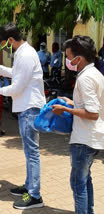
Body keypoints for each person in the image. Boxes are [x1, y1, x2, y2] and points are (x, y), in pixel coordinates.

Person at [0, 23, 46, 209]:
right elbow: (16, 74)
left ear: (11, 40)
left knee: (32, 153)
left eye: (4, 43)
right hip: (25, 108)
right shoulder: (22, 53)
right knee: (29, 152)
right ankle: (29, 186)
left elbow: (18, 86)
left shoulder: (26, 55)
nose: (4, 47)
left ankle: (35, 195)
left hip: (30, 108)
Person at [52, 35, 104, 214]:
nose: (67, 61)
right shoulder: (94, 74)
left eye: (68, 56)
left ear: (78, 59)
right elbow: (91, 105)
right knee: (84, 180)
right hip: (91, 138)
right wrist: (71, 102)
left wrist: (66, 110)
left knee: (77, 184)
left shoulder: (85, 78)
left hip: (84, 139)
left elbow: (93, 113)